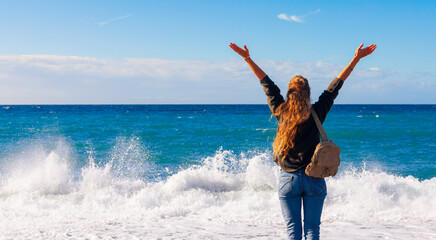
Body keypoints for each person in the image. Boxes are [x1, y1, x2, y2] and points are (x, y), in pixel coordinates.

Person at [229, 42, 376, 240]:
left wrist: (247, 58)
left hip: (287, 179)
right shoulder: (317, 112)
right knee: (312, 230)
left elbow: (267, 85)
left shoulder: (281, 111)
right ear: (308, 93)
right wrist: (356, 59)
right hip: (314, 178)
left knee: (293, 232)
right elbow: (334, 88)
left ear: (289, 92)